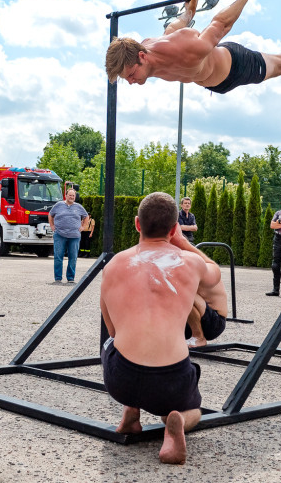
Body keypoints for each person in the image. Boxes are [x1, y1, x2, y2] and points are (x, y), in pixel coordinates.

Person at [99, 192, 222, 464]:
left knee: (111, 345)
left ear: (137, 224)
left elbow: (112, 330)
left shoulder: (114, 265)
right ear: (175, 227)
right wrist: (185, 245)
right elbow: (215, 272)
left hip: (121, 379)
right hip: (171, 379)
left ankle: (131, 411)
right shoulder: (190, 263)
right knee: (194, 411)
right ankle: (174, 422)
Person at [105, 0, 281, 94]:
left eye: (131, 74)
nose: (132, 82)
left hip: (235, 66)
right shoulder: (148, 48)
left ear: (143, 57)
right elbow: (173, 28)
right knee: (280, 67)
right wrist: (189, 10)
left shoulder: (185, 48)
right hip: (211, 83)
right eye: (128, 79)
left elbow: (220, 24)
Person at [185, 250, 229, 349]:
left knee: (182, 292)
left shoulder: (198, 267)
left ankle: (199, 337)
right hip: (194, 319)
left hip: (214, 323)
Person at [48, 188, 90, 284]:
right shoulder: (58, 205)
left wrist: (83, 226)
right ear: (66, 196)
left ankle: (70, 278)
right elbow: (50, 214)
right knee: (58, 257)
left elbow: (86, 216)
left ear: (75, 197)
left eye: (73, 196)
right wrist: (52, 225)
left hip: (74, 236)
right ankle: (58, 278)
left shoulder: (79, 207)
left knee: (73, 257)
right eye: (70, 195)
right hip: (59, 235)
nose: (71, 197)